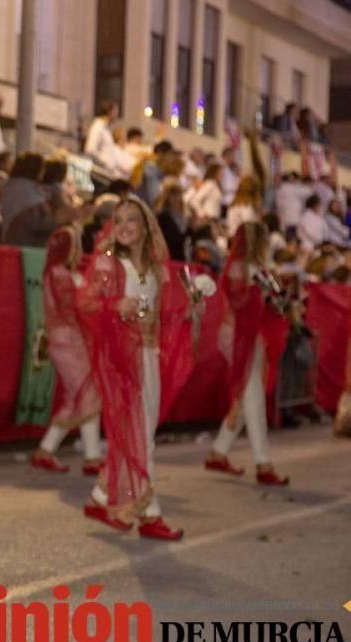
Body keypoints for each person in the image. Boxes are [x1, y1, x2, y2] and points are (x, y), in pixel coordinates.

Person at [78, 195, 193, 540]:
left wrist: (194, 302)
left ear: (146, 227)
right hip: (120, 361)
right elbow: (85, 301)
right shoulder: (107, 263)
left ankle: (100, 498)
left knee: (138, 433)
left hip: (148, 357)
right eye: (119, 220)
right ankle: (149, 514)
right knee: (141, 436)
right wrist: (115, 304)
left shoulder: (157, 269)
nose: (124, 227)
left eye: (131, 220)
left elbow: (169, 314)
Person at [205, 222, 291, 486]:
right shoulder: (243, 269)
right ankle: (263, 463)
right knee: (252, 396)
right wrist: (260, 291)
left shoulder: (248, 268)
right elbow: (240, 303)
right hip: (239, 337)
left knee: (246, 396)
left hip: (245, 336)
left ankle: (219, 452)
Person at [31, 226, 103, 475]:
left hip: (67, 340)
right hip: (69, 341)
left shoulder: (57, 272)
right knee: (87, 392)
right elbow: (74, 307)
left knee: (78, 396)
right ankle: (92, 457)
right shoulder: (60, 274)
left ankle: (47, 451)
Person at [84, 100, 120, 176]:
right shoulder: (97, 127)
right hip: (100, 171)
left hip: (107, 172)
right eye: (115, 112)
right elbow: (90, 150)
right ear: (109, 112)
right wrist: (105, 162)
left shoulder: (106, 129)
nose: (117, 115)